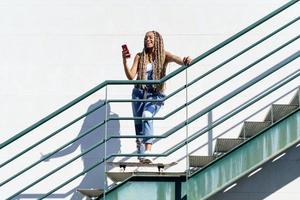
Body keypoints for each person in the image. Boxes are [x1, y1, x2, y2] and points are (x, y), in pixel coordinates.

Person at [122, 30, 192, 163]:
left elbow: (178, 59)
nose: (147, 39)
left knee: (147, 115)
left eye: (150, 37)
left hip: (155, 94)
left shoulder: (163, 55)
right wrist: (125, 61)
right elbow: (131, 76)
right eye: (145, 37)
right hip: (138, 93)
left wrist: (185, 60)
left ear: (157, 40)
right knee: (139, 127)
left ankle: (148, 151)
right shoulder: (139, 56)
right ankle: (141, 156)